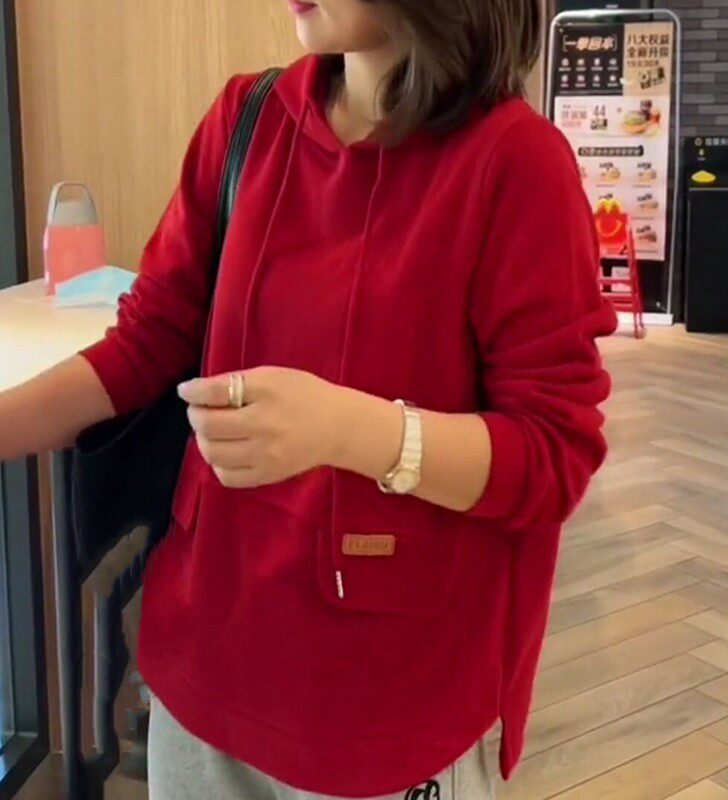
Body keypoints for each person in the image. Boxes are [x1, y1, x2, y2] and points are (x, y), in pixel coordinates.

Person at [0, 1, 619, 798]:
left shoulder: (516, 163)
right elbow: (147, 342)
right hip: (203, 682)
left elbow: (552, 454)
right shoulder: (247, 120)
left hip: (392, 712)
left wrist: (352, 430)